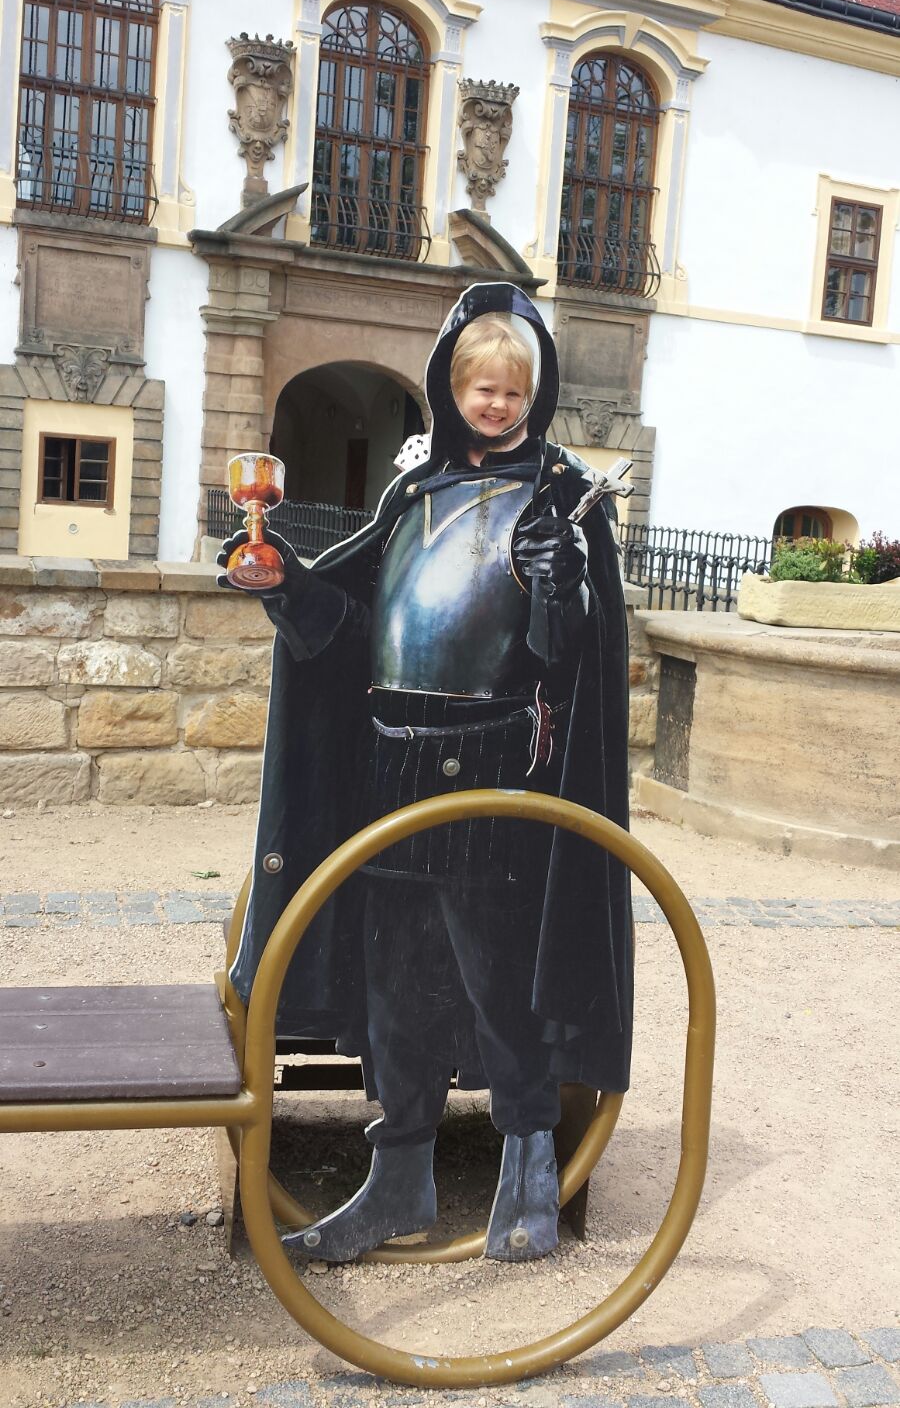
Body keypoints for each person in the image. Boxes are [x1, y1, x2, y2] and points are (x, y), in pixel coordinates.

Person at [218, 281, 633, 1264]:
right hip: (389, 762)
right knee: (395, 980)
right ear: (450, 385)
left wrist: (559, 584)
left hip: (494, 769)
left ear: (538, 392)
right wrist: (287, 585)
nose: (496, 403)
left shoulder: (561, 497)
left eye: (514, 390)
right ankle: (398, 1177)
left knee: (498, 976)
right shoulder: (415, 490)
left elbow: (566, 657)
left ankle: (528, 1168)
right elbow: (361, 627)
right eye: (480, 387)